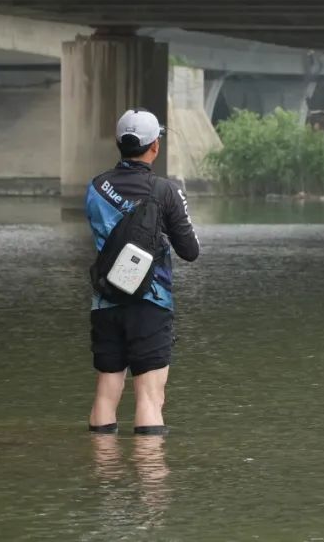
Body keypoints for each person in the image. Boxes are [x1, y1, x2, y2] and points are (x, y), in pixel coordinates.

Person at [84, 108, 200, 436]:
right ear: (155, 146)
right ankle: (150, 482)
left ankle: (104, 480)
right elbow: (190, 251)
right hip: (151, 303)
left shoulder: (95, 188)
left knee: (106, 392)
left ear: (118, 143)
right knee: (149, 397)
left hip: (105, 301)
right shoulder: (166, 191)